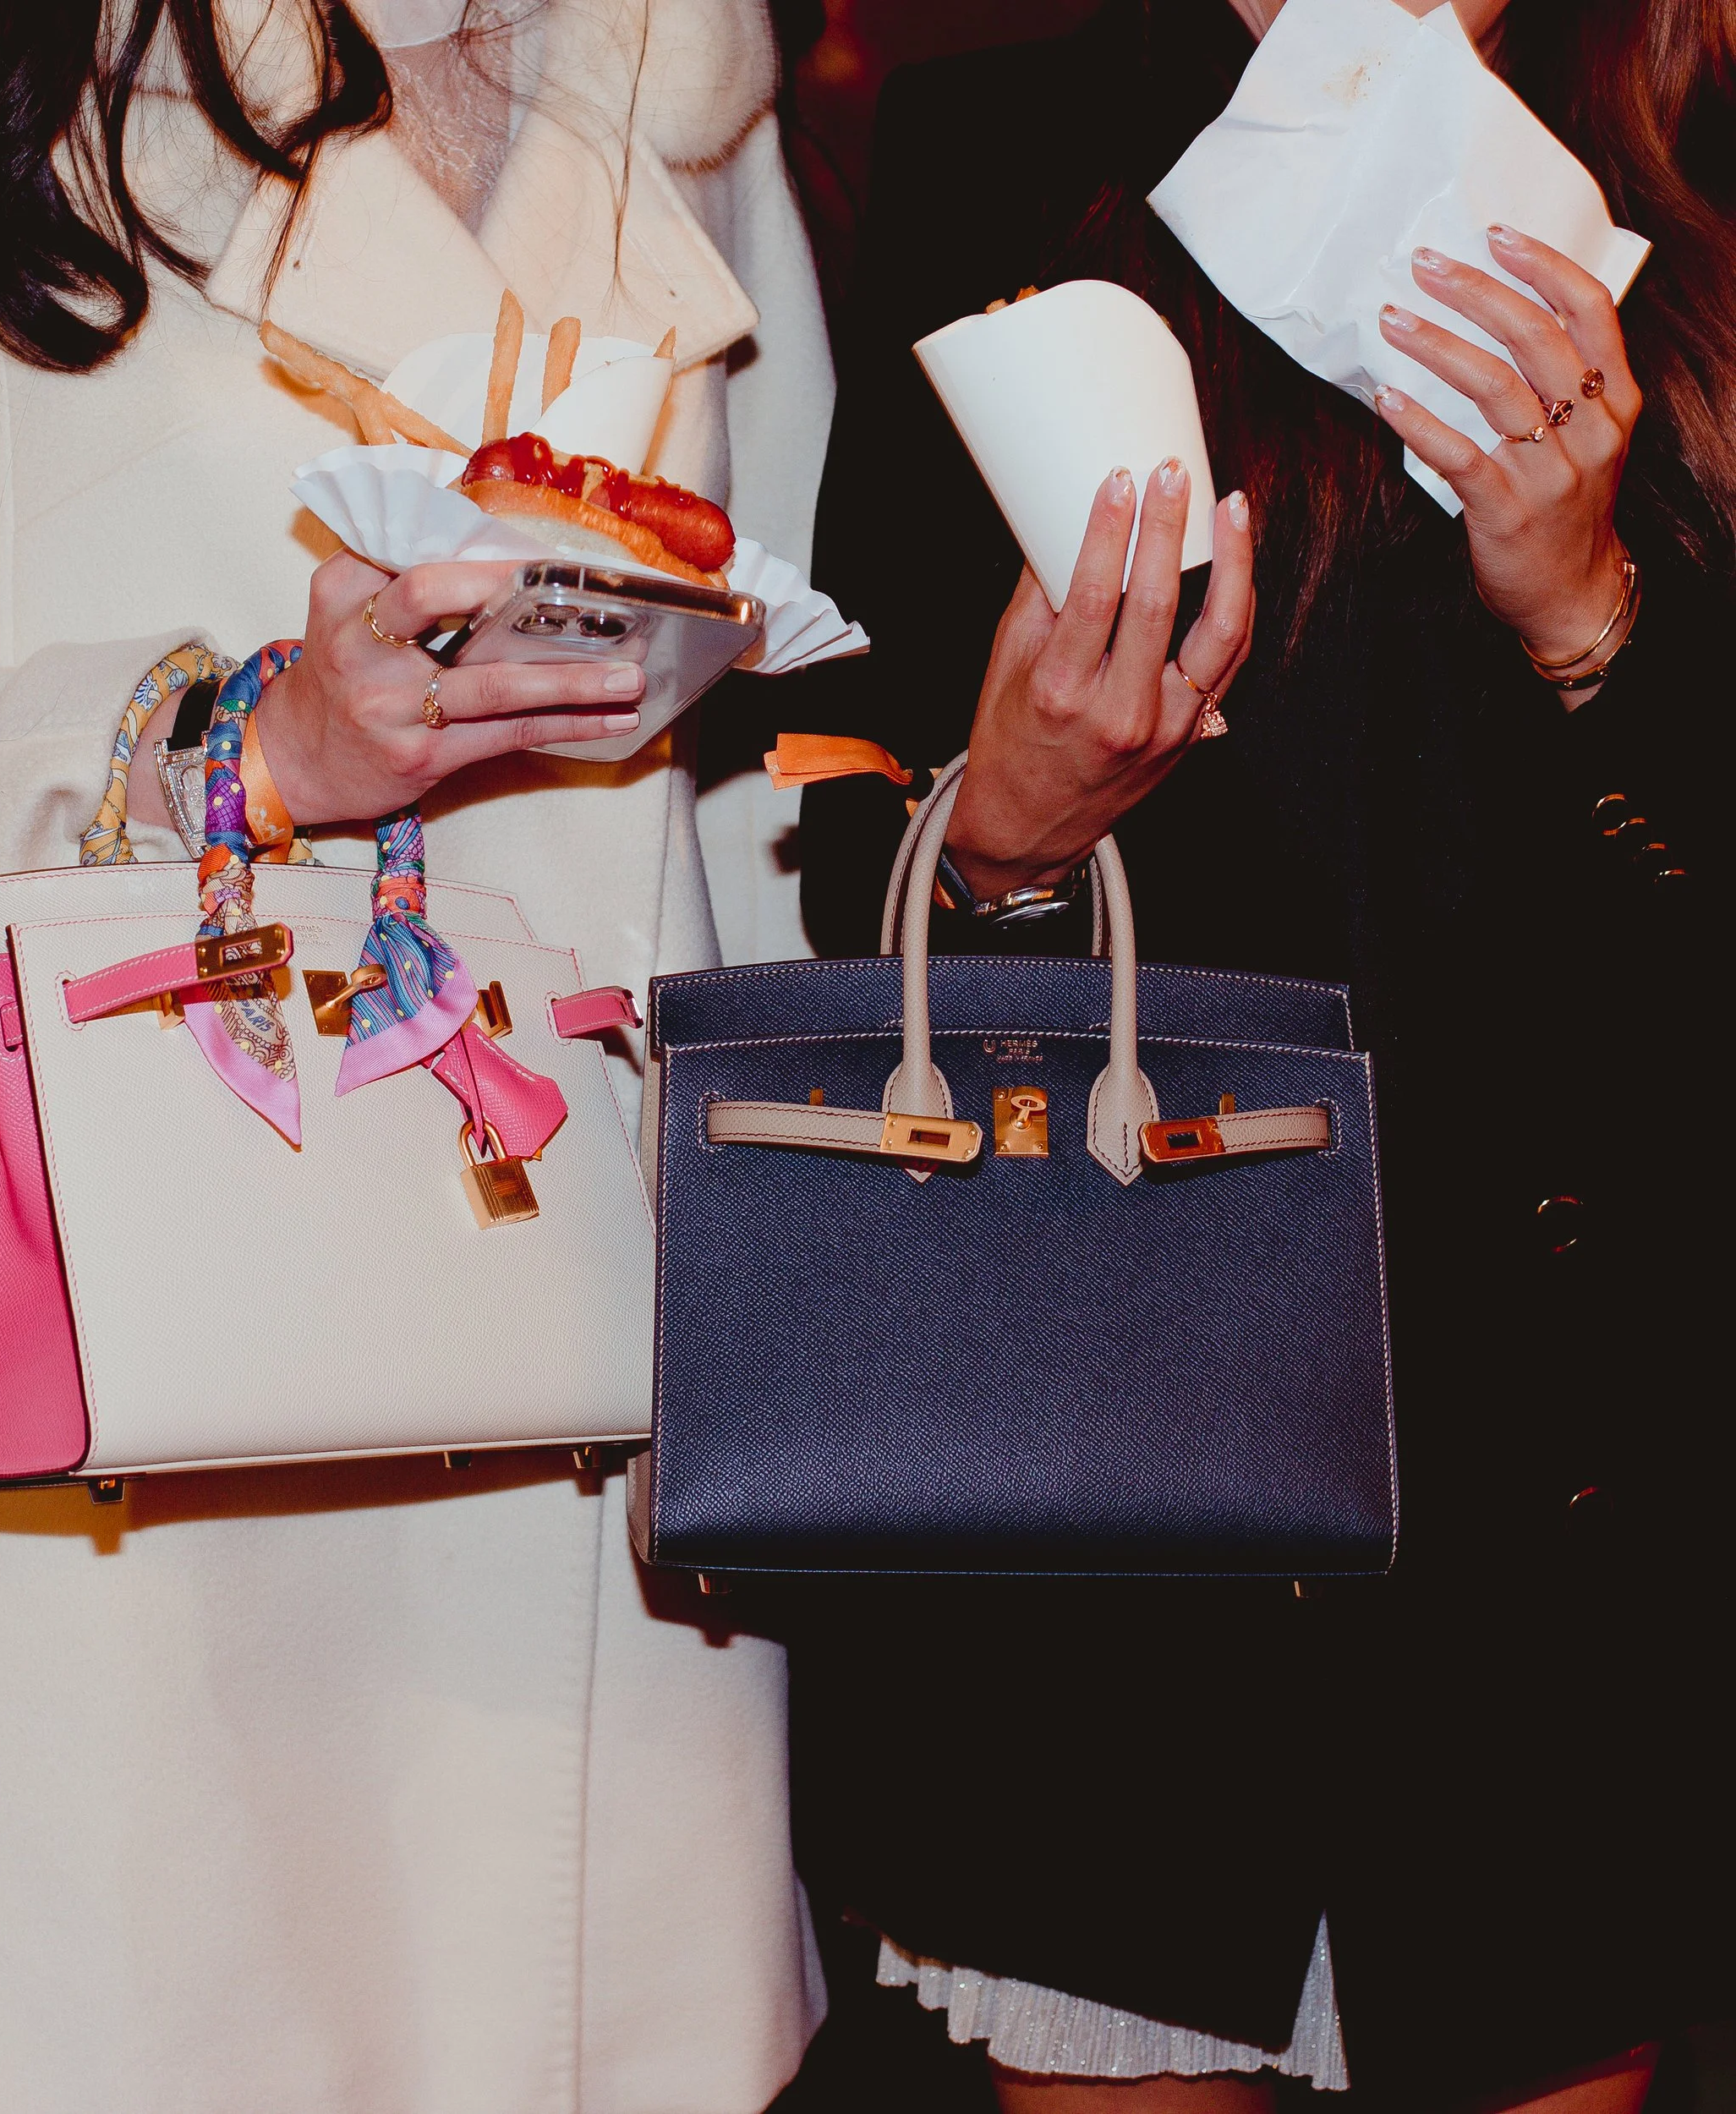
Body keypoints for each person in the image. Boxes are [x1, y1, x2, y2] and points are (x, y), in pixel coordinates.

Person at [0, 1, 837, 2107]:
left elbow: (756, 725)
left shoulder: (669, 61)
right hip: (109, 1438)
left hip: (588, 1423)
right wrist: (227, 748)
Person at [786, 0, 1729, 2110]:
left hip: (1566, 1494)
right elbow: (835, 796)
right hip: (1118, 1440)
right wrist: (1008, 829)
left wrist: (1589, 618)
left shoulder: (1681, 142)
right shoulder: (996, 143)